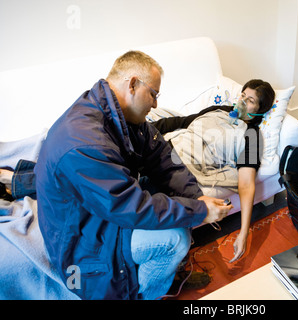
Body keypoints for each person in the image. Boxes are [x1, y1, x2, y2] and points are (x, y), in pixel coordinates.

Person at [34, 50, 232, 300]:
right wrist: (198, 211)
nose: (156, 104)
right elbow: (130, 206)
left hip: (100, 210)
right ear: (133, 84)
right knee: (176, 238)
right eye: (154, 94)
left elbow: (163, 159)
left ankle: (162, 272)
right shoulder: (85, 141)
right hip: (83, 238)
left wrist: (197, 198)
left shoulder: (120, 116)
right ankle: (147, 293)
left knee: (172, 200)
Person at [151, 79, 275, 263]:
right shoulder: (221, 110)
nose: (241, 101)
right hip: (167, 147)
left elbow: (246, 184)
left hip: (181, 167)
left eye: (250, 100)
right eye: (242, 95)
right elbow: (182, 122)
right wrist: (142, 130)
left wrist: (243, 232)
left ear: (260, 110)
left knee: (146, 203)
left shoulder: (252, 136)